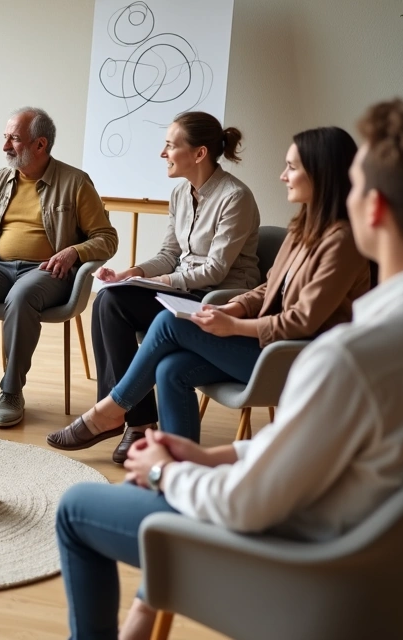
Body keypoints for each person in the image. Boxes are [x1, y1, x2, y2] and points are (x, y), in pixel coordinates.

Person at [52, 100, 403, 640]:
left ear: (373, 209)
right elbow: (325, 448)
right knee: (175, 367)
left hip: (306, 574)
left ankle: (122, 437)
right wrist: (210, 456)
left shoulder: (349, 358)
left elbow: (245, 504)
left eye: (353, 183)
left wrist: (166, 472)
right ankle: (146, 600)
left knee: (75, 509)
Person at [49, 126, 371, 462]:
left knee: (168, 324)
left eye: (291, 167)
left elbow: (302, 321)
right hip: (267, 343)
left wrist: (234, 326)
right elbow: (269, 287)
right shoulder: (303, 228)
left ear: (321, 173)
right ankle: (176, 468)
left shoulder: (343, 242)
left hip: (297, 358)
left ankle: (111, 410)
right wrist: (235, 308)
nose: (282, 176)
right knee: (169, 367)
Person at [87, 112, 261, 459]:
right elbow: (169, 254)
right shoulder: (181, 194)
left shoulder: (235, 197)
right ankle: (136, 422)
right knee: (108, 299)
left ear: (199, 153)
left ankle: (125, 418)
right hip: (183, 291)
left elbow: (215, 270)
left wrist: (157, 282)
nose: (162, 153)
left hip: (217, 299)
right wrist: (131, 274)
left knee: (114, 303)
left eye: (170, 145)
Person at [0, 107, 118, 428]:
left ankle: (11, 391)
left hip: (48, 272)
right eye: (5, 137)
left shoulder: (75, 183)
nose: (5, 146)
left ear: (40, 144)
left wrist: (74, 252)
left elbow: (107, 238)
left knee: (21, 297)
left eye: (14, 139)